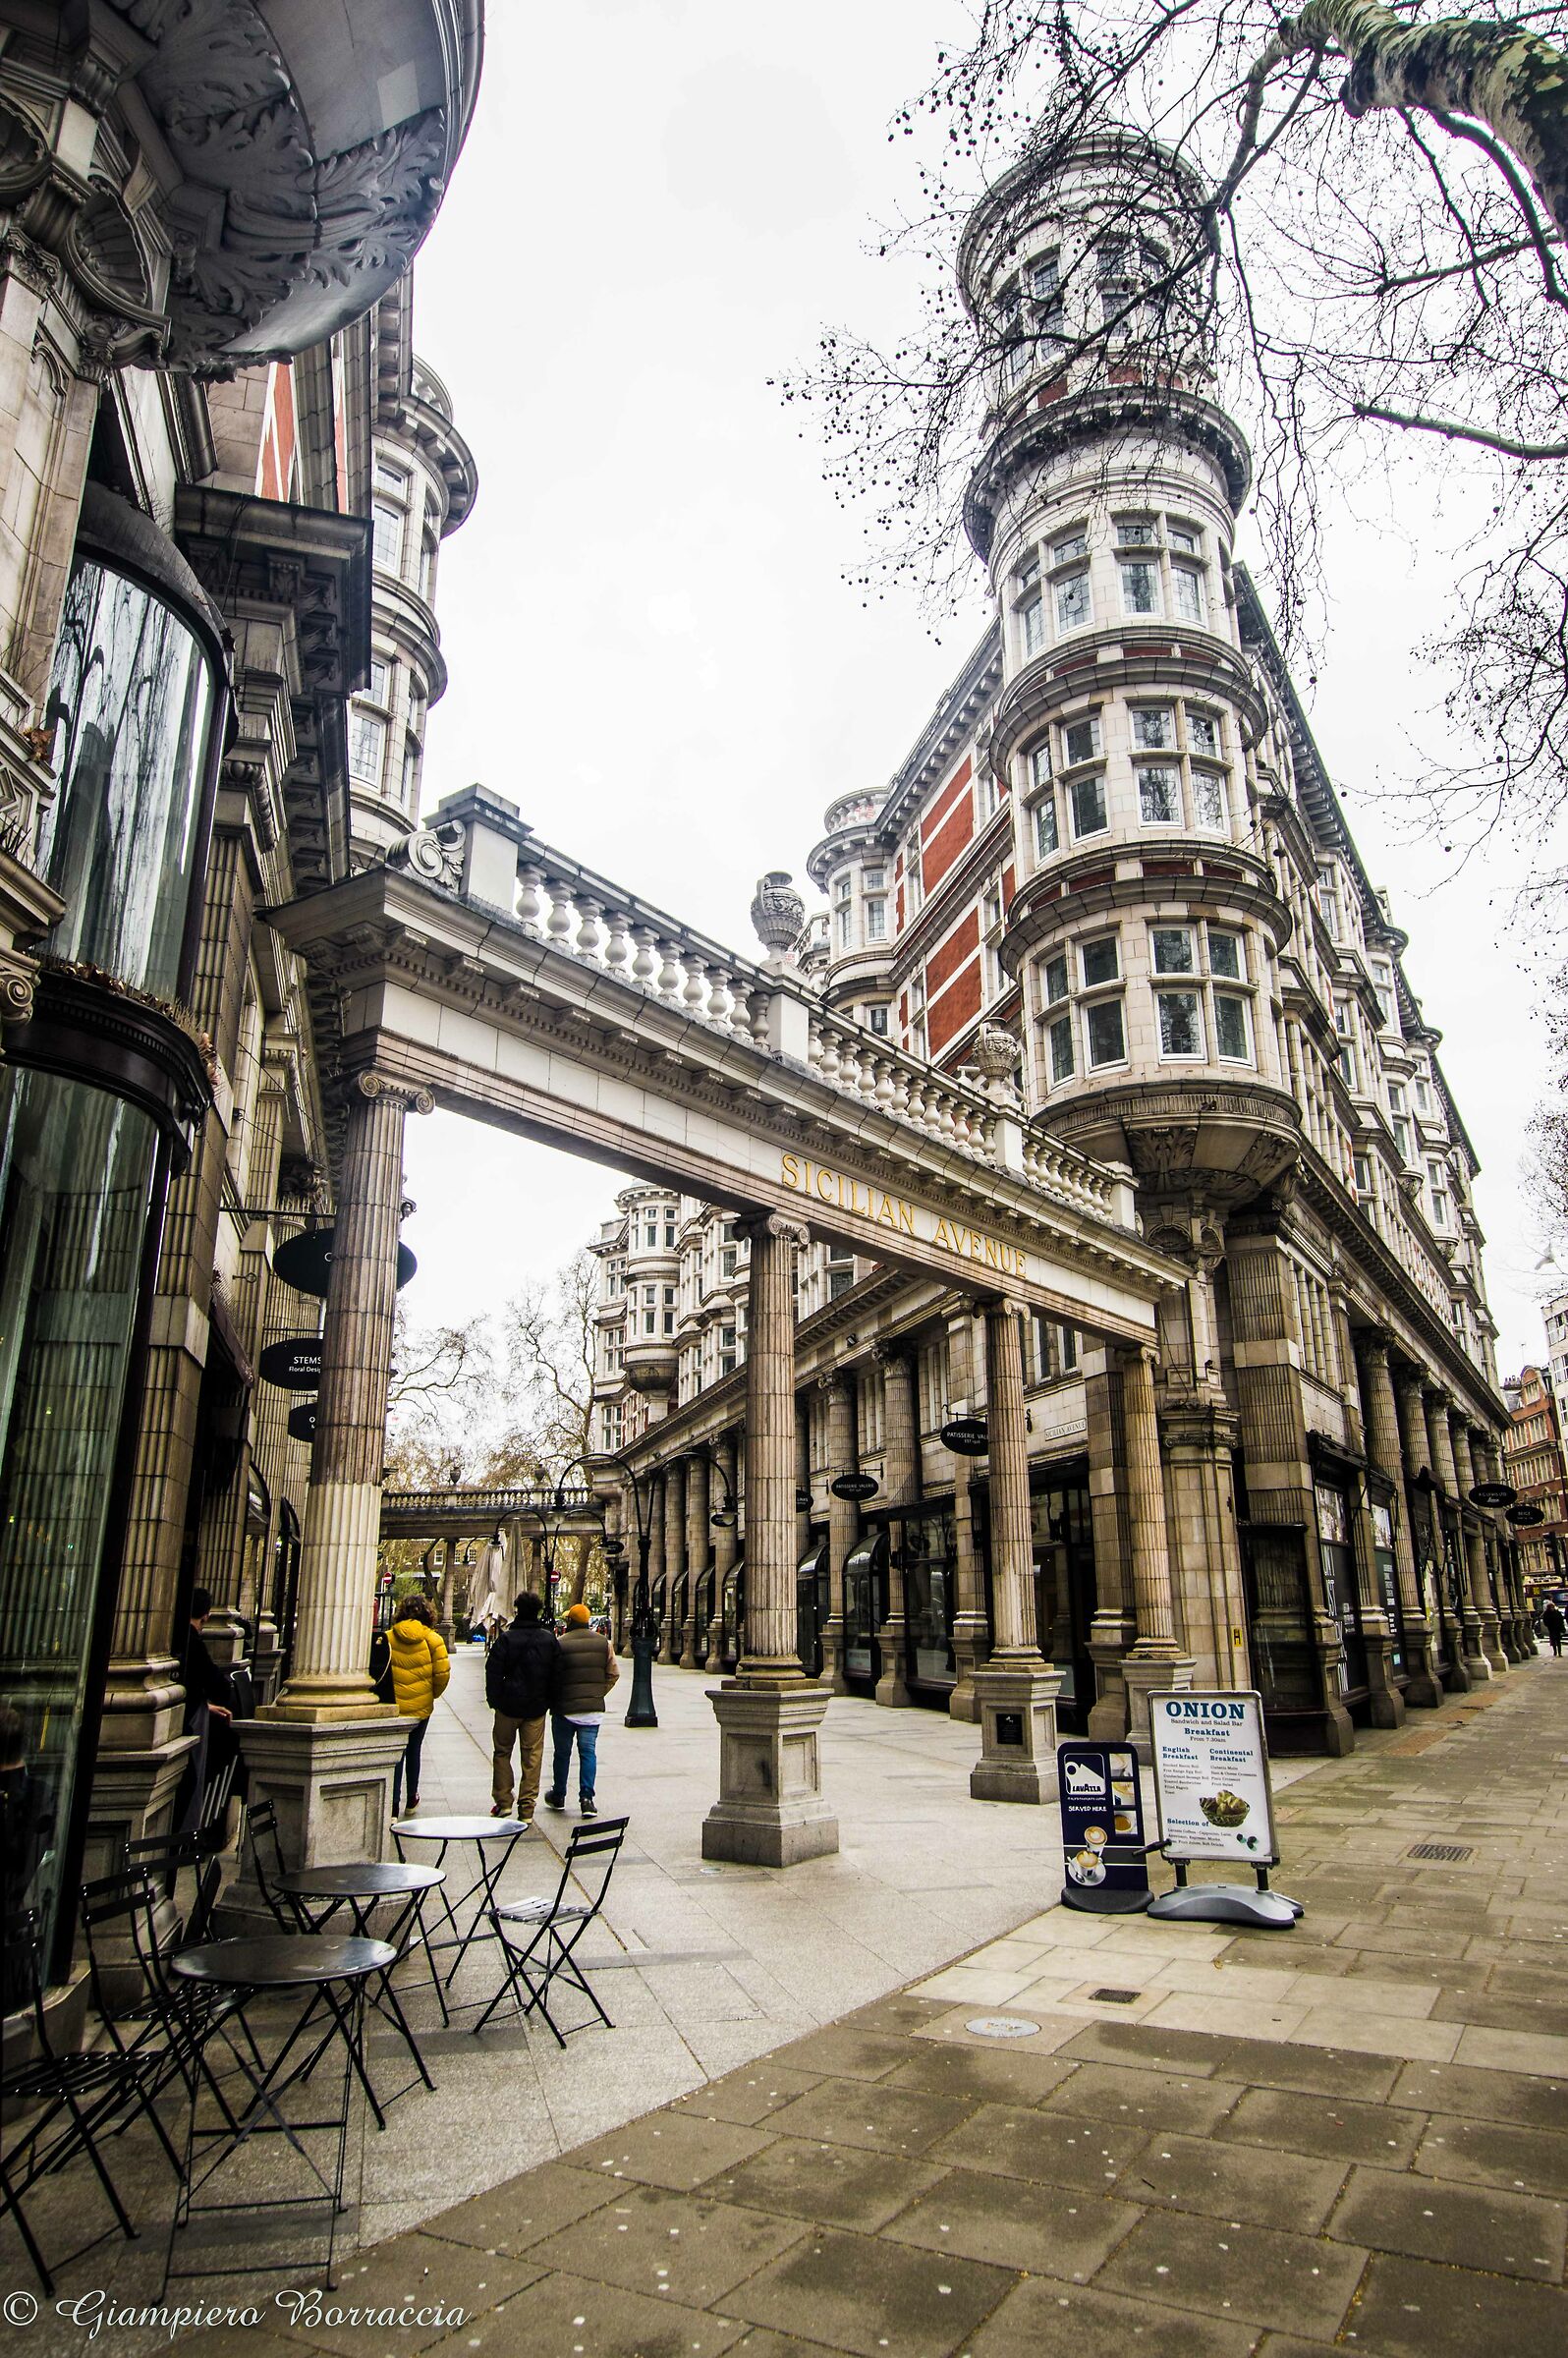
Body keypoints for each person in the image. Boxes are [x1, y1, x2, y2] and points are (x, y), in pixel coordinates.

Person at [485, 1593, 563, 1822]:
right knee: (532, 1757)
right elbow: (557, 1674)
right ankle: (527, 1807)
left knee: (502, 1752)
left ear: (517, 1610)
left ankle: (503, 1800)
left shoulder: (506, 1639)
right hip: (535, 1708)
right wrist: (551, 1701)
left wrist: (495, 1700)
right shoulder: (549, 1640)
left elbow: (493, 1671)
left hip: (508, 1705)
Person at [544, 1601, 620, 1819]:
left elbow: (551, 1676)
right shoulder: (603, 1643)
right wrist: (598, 1693)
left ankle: (559, 1794)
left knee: (562, 1753)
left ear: (570, 1622)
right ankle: (587, 1799)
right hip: (592, 1710)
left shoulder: (560, 1643)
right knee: (588, 1753)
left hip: (564, 1709)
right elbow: (613, 1674)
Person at [175, 1586, 238, 1834]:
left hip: (186, 1716)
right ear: (206, 1616)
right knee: (190, 1782)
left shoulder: (174, 1637)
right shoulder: (192, 1642)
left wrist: (206, 1705)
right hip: (187, 1723)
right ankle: (186, 1838)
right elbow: (217, 1684)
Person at [386, 1593, 450, 1816]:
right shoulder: (433, 1640)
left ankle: (392, 1804)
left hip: (394, 1707)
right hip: (421, 1708)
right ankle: (411, 1798)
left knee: (395, 1753)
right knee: (414, 1750)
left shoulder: (387, 1638)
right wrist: (430, 1694)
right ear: (428, 1614)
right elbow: (442, 1675)